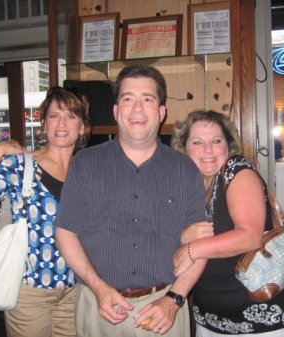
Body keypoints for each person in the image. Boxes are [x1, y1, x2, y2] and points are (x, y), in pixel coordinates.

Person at [55, 64, 210, 337]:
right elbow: (66, 232)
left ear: (162, 112)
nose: (137, 109)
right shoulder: (84, 164)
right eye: (128, 99)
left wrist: (174, 299)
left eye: (147, 99)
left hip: (165, 309)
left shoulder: (185, 170)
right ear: (116, 111)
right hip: (99, 306)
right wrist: (99, 289)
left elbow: (201, 246)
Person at [0, 86, 91, 337]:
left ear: (82, 127)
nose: (61, 123)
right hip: (30, 292)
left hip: (76, 289)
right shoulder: (21, 165)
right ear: (44, 125)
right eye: (54, 115)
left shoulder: (86, 171)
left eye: (71, 116)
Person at [171, 110, 284, 337]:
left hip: (261, 322)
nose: (208, 150)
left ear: (228, 145)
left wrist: (193, 248)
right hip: (210, 318)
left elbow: (249, 236)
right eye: (197, 142)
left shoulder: (236, 170)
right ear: (184, 148)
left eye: (216, 141)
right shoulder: (192, 185)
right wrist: (183, 235)